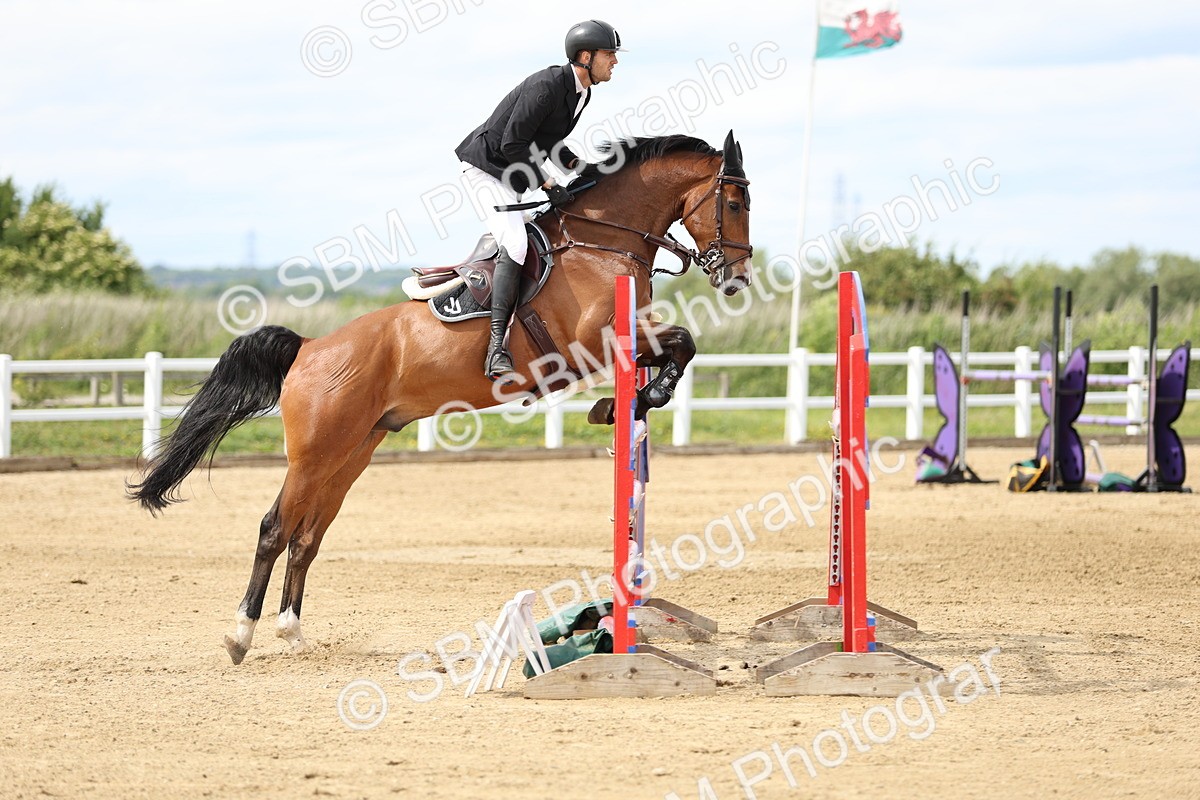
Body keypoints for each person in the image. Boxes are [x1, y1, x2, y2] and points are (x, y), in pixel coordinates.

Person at [455, 19, 623, 382]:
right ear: (586, 56)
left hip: (511, 176)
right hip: (485, 171)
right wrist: (547, 183)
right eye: (609, 54)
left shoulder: (581, 93)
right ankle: (495, 349)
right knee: (515, 245)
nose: (614, 62)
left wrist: (582, 168)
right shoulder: (547, 86)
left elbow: (549, 145)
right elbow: (512, 144)